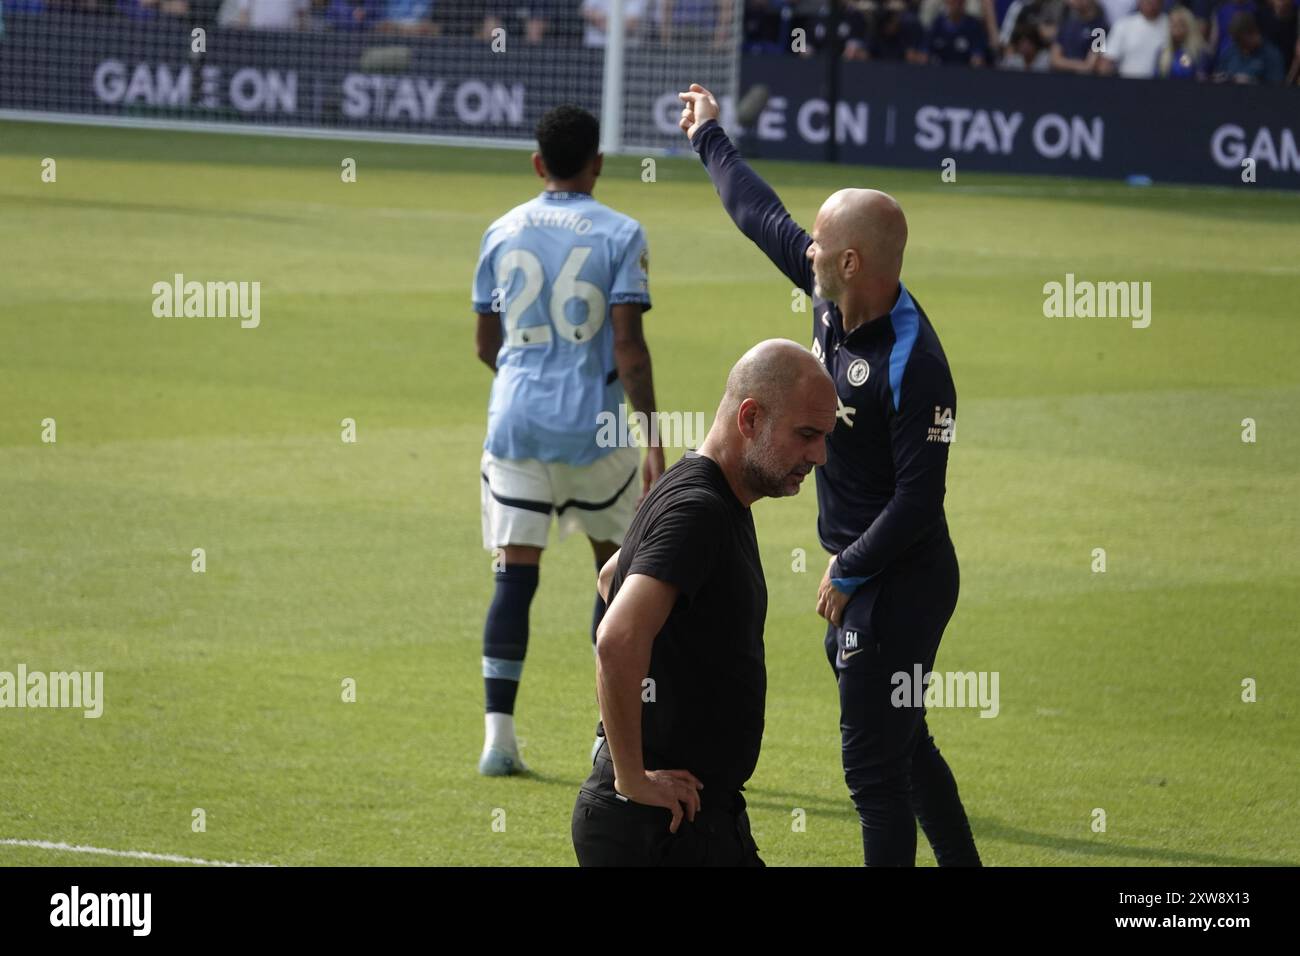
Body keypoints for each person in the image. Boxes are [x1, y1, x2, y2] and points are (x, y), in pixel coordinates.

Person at [677, 84, 982, 867]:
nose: (804, 248)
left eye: (818, 243)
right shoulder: (832, 300)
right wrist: (711, 136)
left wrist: (850, 566)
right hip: (870, 576)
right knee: (907, 750)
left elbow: (920, 498)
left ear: (851, 260)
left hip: (901, 581)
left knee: (874, 777)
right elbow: (759, 216)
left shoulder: (915, 365)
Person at [571, 340, 838, 867]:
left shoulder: (702, 492)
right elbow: (619, 637)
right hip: (661, 826)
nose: (819, 457)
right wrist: (628, 774)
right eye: (807, 435)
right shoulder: (699, 510)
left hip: (688, 817)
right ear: (750, 418)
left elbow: (610, 578)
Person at [471, 105, 661, 776]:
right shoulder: (622, 232)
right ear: (598, 163)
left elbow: (485, 345)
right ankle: (605, 740)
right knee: (616, 576)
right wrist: (656, 435)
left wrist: (531, 383)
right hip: (597, 430)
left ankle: (498, 739)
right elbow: (629, 349)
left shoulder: (501, 229)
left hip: (516, 424)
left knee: (513, 577)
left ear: (536, 162)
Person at [1100, 0, 1169, 76]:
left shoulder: (1171, 25)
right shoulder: (1124, 25)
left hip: (1162, 84)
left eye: (1154, 1)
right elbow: (1108, 60)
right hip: (1128, 82)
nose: (1151, 3)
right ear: (1138, 2)